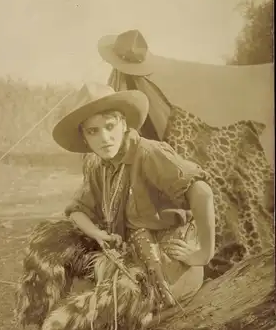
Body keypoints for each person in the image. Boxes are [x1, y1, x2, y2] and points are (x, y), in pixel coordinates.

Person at [52, 82, 216, 303]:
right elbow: (76, 210)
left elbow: (202, 192)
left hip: (170, 259)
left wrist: (204, 253)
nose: (104, 138)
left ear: (124, 124)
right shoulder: (99, 165)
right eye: (93, 131)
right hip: (132, 255)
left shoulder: (148, 154)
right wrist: (97, 233)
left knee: (117, 306)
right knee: (69, 283)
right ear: (84, 138)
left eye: (110, 126)